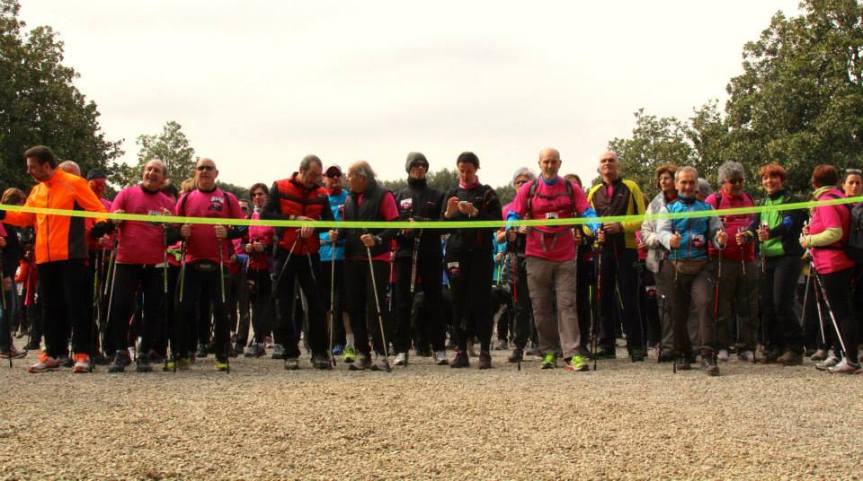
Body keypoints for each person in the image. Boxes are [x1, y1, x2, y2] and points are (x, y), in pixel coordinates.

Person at [0, 146, 112, 373]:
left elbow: (96, 207)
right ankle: (53, 352)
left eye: (32, 167)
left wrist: (102, 222)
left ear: (46, 165)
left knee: (76, 304)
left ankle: (82, 353)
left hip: (71, 254)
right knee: (49, 306)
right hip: (45, 257)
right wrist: (3, 214)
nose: (29, 171)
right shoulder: (37, 191)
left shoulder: (74, 183)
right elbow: (25, 218)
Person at [507, 148, 598, 371]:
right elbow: (514, 212)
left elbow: (586, 210)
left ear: (560, 163)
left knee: (567, 305)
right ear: (539, 163)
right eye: (546, 161)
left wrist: (594, 224)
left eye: (553, 162)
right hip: (536, 254)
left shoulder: (570, 187)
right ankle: (548, 352)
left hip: (565, 254)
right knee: (540, 306)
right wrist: (511, 223)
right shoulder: (529, 189)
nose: (549, 165)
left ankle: (572, 354)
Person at [262, 155, 335, 370]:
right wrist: (294, 220)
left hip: (310, 253)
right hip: (285, 251)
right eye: (312, 175)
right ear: (301, 171)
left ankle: (319, 352)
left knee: (317, 304)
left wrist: (314, 226)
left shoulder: (322, 193)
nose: (316, 180)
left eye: (318, 176)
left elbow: (329, 222)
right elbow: (267, 214)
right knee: (284, 304)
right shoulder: (279, 186)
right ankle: (289, 352)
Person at [104, 159, 176, 373]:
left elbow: (174, 236)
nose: (152, 173)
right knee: (120, 306)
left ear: (163, 179)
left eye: (157, 171)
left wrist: (169, 224)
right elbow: (110, 222)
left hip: (155, 263)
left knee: (153, 309)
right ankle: (120, 351)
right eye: (149, 169)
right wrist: (113, 220)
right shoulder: (126, 194)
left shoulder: (168, 203)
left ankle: (144, 352)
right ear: (143, 172)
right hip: (127, 261)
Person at [175, 157, 246, 371]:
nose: (204, 172)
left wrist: (228, 232)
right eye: (200, 168)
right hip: (191, 261)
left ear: (216, 173)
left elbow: (243, 227)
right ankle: (184, 353)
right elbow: (173, 229)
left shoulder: (227, 197)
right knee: (184, 308)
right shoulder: (186, 198)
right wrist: (181, 232)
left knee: (221, 310)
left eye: (209, 168)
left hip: (218, 261)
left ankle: (222, 354)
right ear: (195, 172)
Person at [656, 166, 728, 375]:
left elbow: (717, 232)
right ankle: (683, 353)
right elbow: (661, 232)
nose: (687, 187)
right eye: (684, 183)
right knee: (677, 311)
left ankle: (707, 355)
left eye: (691, 183)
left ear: (696, 184)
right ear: (676, 184)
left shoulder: (706, 208)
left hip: (701, 266)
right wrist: (670, 240)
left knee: (705, 305)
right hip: (675, 265)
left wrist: (720, 240)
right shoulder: (668, 209)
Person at [443, 152, 502, 369]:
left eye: (469, 171)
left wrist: (476, 212)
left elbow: (497, 222)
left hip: (480, 253)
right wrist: (448, 214)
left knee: (482, 301)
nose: (465, 175)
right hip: (455, 254)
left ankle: (485, 351)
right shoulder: (451, 193)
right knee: (457, 301)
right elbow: (441, 224)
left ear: (476, 169)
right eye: (462, 171)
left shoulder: (487, 193)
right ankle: (460, 350)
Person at [586, 150, 646, 361]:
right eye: (603, 161)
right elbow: (587, 222)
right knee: (603, 300)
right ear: (599, 166)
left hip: (627, 248)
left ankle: (636, 346)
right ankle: (606, 345)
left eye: (611, 160)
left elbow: (643, 219)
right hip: (602, 251)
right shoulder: (593, 192)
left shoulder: (631, 187)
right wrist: (596, 232)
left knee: (630, 299)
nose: (607, 164)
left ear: (618, 165)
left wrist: (621, 226)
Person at [744, 163, 806, 365]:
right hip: (767, 258)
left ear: (782, 180)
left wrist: (771, 233)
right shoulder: (762, 203)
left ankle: (795, 348)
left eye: (773, 177)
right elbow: (754, 227)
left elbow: (789, 224)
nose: (769, 181)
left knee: (782, 303)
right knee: (768, 305)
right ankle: (774, 346)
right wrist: (745, 235)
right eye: (765, 178)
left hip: (788, 257)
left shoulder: (791, 201)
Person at [341, 161, 400, 371]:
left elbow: (395, 226)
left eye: (349, 175)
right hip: (352, 258)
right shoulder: (349, 198)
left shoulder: (384, 195)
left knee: (376, 307)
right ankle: (363, 352)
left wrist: (377, 239)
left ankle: (382, 353)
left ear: (362, 177)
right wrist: (336, 234)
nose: (346, 179)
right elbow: (347, 227)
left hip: (376, 258)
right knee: (354, 307)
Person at [801, 165, 859, 374]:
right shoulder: (838, 197)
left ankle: (850, 358)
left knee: (841, 312)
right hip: (836, 262)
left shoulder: (826, 201)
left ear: (814, 182)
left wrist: (808, 240)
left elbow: (834, 232)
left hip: (832, 263)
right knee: (835, 311)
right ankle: (838, 352)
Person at [392, 152, 447, 366]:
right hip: (406, 254)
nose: (420, 168)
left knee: (435, 300)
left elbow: (442, 223)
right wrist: (404, 230)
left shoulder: (437, 194)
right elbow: (392, 224)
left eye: (423, 165)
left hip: (430, 253)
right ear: (408, 168)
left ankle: (439, 348)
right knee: (403, 302)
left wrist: (421, 223)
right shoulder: (399, 195)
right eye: (415, 165)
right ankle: (400, 350)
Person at [705, 161, 758, 362]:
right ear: (723, 183)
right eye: (732, 181)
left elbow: (753, 224)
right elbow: (708, 227)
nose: (737, 184)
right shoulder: (714, 200)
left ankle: (747, 346)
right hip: (722, 259)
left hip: (747, 258)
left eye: (740, 180)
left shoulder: (748, 198)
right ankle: (721, 345)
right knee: (721, 305)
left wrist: (749, 235)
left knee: (748, 304)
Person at [640, 164, 678, 362]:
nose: (664, 181)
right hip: (661, 259)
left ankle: (693, 346)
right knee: (665, 304)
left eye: (668, 178)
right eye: (661, 178)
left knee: (689, 303)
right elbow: (645, 232)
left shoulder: (688, 200)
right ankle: (668, 346)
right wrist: (662, 239)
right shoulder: (654, 204)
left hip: (687, 258)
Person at [498, 167, 537, 363]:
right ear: (514, 186)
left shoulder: (538, 206)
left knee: (543, 302)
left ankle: (542, 344)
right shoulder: (507, 209)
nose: (522, 185)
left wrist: (532, 229)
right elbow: (498, 236)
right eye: (519, 182)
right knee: (520, 305)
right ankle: (518, 345)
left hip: (539, 257)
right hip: (516, 258)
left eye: (526, 181)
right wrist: (509, 233)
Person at [318, 166, 351, 360]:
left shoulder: (348, 198)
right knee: (325, 304)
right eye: (331, 176)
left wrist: (340, 236)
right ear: (324, 179)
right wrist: (325, 236)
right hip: (323, 255)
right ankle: (327, 342)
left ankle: (348, 343)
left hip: (344, 256)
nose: (335, 179)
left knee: (344, 303)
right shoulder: (320, 198)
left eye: (338, 175)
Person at [242, 183, 275, 358]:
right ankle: (258, 341)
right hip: (253, 267)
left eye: (261, 194)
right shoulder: (250, 217)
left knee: (270, 305)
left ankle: (273, 341)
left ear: (267, 196)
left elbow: (279, 240)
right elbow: (242, 240)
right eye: (254, 195)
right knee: (255, 305)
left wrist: (266, 248)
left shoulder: (273, 215)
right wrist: (246, 246)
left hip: (270, 266)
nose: (257, 197)